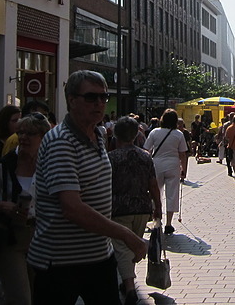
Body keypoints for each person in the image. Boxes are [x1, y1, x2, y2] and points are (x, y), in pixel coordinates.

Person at [28, 71, 147, 305]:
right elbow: (71, 207)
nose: (100, 103)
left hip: (98, 257)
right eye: (92, 97)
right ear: (71, 100)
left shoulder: (96, 134)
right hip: (61, 261)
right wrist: (125, 235)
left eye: (103, 97)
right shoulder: (61, 141)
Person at [0, 113, 51, 305]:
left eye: (31, 133)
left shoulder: (50, 165)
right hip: (10, 238)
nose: (24, 137)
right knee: (21, 298)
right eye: (21, 133)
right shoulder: (3, 166)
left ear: (43, 137)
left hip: (41, 238)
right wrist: (1, 206)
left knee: (37, 295)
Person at [109, 116, 161, 305]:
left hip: (118, 208)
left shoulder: (111, 157)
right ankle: (128, 280)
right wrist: (158, 206)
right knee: (132, 246)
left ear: (116, 135)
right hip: (141, 208)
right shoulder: (145, 155)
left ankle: (130, 287)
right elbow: (153, 184)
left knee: (123, 248)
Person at [143, 109, 188, 235]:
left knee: (155, 192)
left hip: (156, 164)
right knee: (172, 193)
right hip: (173, 165)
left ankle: (156, 220)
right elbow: (183, 154)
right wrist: (183, 169)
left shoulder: (154, 132)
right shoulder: (178, 134)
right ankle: (169, 223)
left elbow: (146, 149)